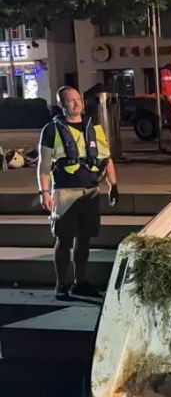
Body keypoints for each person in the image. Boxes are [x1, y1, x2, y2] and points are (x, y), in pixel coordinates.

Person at [37, 86, 119, 300]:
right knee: (63, 239)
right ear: (61, 105)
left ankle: (79, 282)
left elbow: (106, 157)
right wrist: (44, 192)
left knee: (84, 239)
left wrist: (113, 184)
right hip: (65, 191)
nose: (76, 103)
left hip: (90, 190)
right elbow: (44, 165)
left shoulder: (95, 126)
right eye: (70, 100)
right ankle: (61, 284)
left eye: (78, 99)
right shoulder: (51, 129)